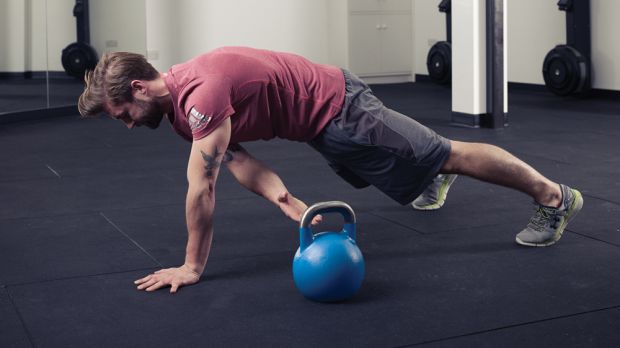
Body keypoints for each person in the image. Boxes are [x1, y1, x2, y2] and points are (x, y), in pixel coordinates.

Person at [78, 46, 583, 294]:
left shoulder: (201, 96)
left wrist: (191, 267)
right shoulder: (182, 112)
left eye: (123, 115)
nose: (126, 125)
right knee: (397, 182)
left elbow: (201, 187)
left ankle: (553, 196)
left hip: (340, 106)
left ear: (140, 89)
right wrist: (290, 205)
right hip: (318, 127)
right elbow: (241, 162)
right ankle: (431, 175)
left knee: (445, 150)